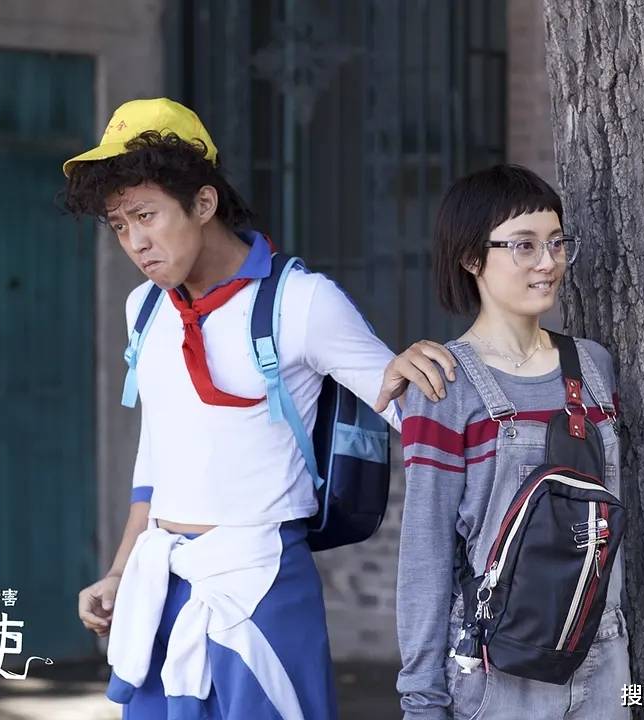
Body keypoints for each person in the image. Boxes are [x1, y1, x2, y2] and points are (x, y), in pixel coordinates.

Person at [62, 97, 453, 719]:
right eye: (119, 225)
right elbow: (156, 456)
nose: (136, 243)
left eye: (146, 216)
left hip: (262, 588)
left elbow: (409, 410)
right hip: (160, 590)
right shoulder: (145, 308)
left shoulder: (301, 302)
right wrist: (119, 572)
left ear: (203, 203)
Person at [396, 165, 631, 719]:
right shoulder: (443, 384)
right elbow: (426, 549)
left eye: (556, 243)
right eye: (523, 246)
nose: (547, 262)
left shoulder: (594, 366)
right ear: (471, 258)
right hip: (498, 669)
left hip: (603, 656)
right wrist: (422, 699)